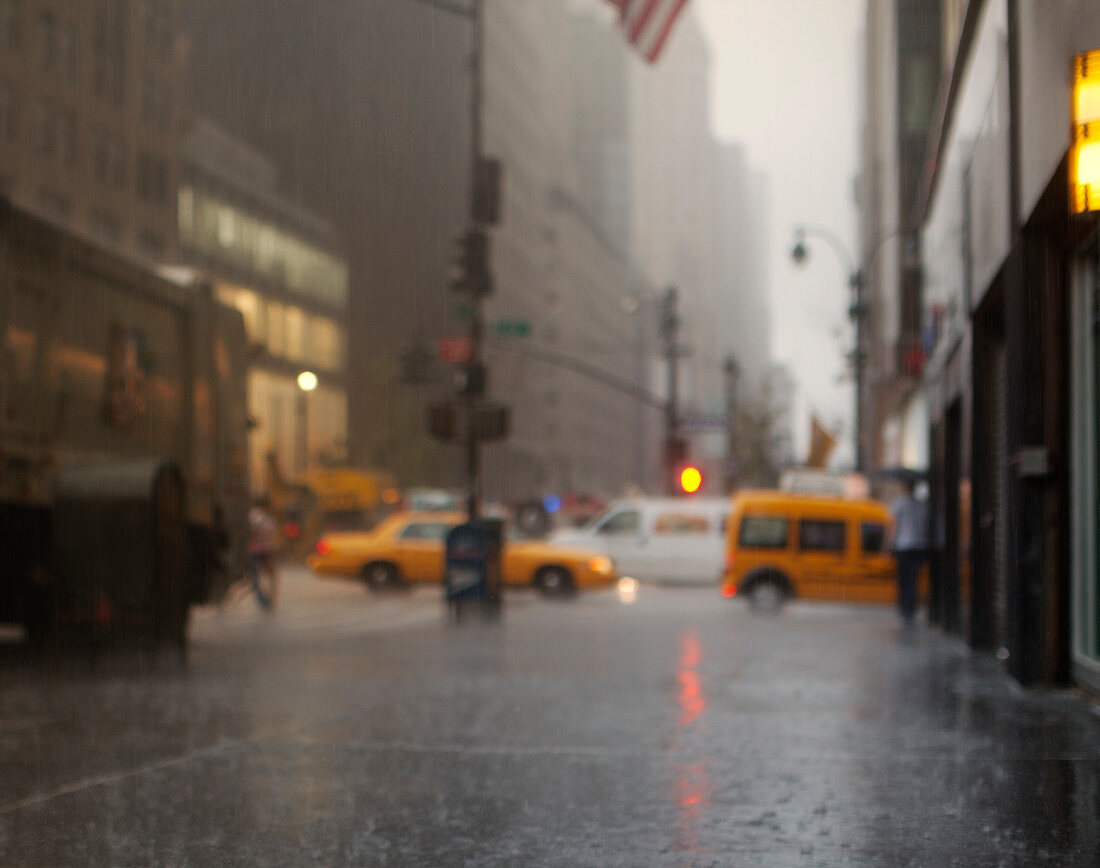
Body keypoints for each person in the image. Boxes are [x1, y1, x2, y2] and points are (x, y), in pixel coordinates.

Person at [890, 479, 928, 627]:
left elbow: (893, 526)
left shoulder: (899, 503)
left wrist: (888, 546)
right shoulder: (921, 505)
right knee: (913, 579)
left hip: (904, 546)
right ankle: (910, 608)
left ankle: (905, 608)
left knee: (904, 579)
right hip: (919, 546)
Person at [247, 499, 279, 610]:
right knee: (270, 574)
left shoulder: (253, 515)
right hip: (265, 549)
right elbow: (271, 531)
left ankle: (266, 600)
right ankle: (270, 599)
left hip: (255, 549)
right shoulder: (264, 517)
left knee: (257, 576)